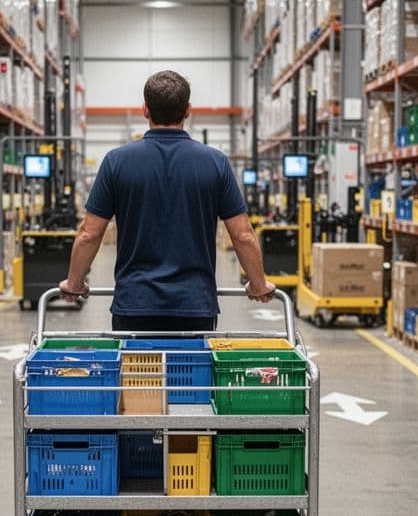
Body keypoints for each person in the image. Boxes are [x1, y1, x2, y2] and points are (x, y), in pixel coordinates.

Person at [58, 70, 277, 332]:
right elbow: (243, 236)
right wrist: (258, 284)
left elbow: (89, 233)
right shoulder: (215, 162)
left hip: (134, 305)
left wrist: (74, 283)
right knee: (191, 372)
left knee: (139, 374)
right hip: (195, 306)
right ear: (187, 111)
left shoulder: (116, 161)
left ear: (145, 110)